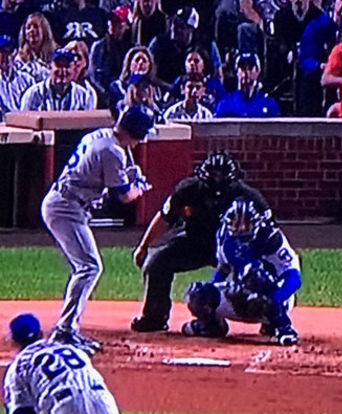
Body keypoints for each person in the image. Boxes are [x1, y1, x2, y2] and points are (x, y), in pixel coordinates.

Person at [41, 105, 154, 354]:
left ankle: (67, 328)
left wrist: (127, 175)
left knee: (87, 267)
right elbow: (124, 196)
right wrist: (140, 187)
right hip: (65, 208)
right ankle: (65, 330)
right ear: (137, 132)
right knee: (89, 267)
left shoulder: (101, 136)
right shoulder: (113, 151)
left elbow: (99, 172)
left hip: (66, 203)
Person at [131, 151, 272, 332]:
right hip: (196, 243)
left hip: (236, 250)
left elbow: (269, 231)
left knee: (262, 273)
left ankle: (271, 317)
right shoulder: (186, 191)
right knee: (157, 262)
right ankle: (154, 317)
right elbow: (165, 217)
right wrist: (144, 246)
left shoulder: (250, 197)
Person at [182, 199, 301, 346]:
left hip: (273, 296)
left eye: (245, 223)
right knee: (197, 293)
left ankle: (282, 327)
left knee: (255, 276)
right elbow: (223, 269)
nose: (240, 228)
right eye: (235, 223)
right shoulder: (224, 238)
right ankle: (211, 325)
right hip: (239, 296)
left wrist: (274, 300)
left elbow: (294, 279)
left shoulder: (271, 240)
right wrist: (211, 296)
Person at [3, 313, 119, 414]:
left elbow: (21, 411)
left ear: (14, 341)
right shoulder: (73, 350)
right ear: (41, 334)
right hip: (104, 402)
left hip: (67, 406)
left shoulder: (19, 366)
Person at [20, 48, 95, 111]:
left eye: (67, 66)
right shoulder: (33, 94)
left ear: (73, 68)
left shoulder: (84, 95)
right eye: (58, 65)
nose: (63, 71)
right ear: (49, 67)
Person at [89, 5, 133, 108]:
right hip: (103, 98)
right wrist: (107, 95)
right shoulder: (98, 47)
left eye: (118, 22)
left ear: (127, 25)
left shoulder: (132, 49)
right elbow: (94, 75)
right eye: (111, 21)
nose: (113, 24)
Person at [214, 52, 280, 117]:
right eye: (242, 68)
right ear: (237, 72)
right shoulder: (226, 103)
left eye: (250, 68)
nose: (246, 73)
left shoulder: (268, 103)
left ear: (257, 71)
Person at [0, 34, 35, 120]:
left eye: (9, 51)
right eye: (2, 51)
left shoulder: (27, 79)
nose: (6, 56)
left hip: (25, 125)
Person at [14, 12, 57, 82]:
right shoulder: (20, 58)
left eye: (36, 26)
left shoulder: (55, 53)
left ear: (44, 30)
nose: (31, 30)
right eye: (28, 27)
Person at [64, 40, 98, 108]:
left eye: (78, 57)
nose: (74, 61)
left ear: (85, 62)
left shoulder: (89, 92)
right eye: (70, 56)